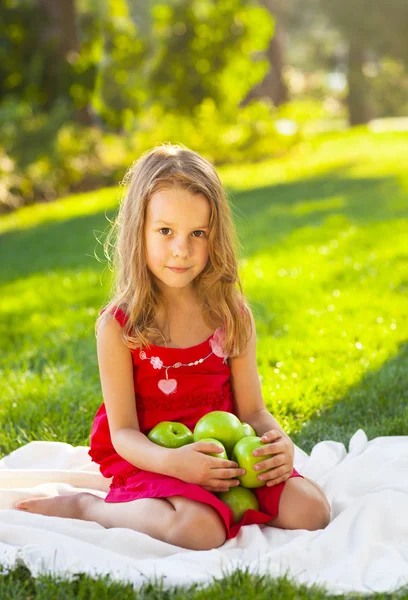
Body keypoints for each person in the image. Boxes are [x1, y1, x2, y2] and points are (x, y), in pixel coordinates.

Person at [15, 143, 330, 550]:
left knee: (312, 510)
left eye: (198, 233)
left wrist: (278, 444)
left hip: (228, 457)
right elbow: (124, 431)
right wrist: (175, 463)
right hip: (154, 454)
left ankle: (216, 494)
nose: (182, 249)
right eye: (165, 231)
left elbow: (253, 411)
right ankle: (88, 509)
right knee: (200, 530)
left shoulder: (231, 315)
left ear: (215, 235)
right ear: (138, 231)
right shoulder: (118, 327)